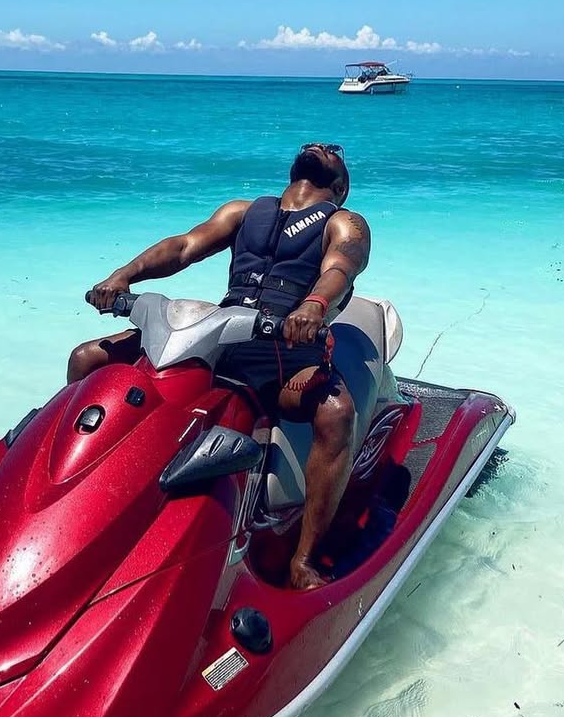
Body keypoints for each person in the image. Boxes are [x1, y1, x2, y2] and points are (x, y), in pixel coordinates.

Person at [68, 143, 371, 590]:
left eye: (334, 151)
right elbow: (183, 247)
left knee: (336, 413)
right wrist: (124, 275)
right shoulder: (244, 211)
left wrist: (314, 305)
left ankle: (303, 559)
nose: (323, 146)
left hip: (285, 345)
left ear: (340, 186)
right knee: (87, 358)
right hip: (224, 333)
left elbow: (341, 267)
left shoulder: (343, 221)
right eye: (320, 146)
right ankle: (78, 483)